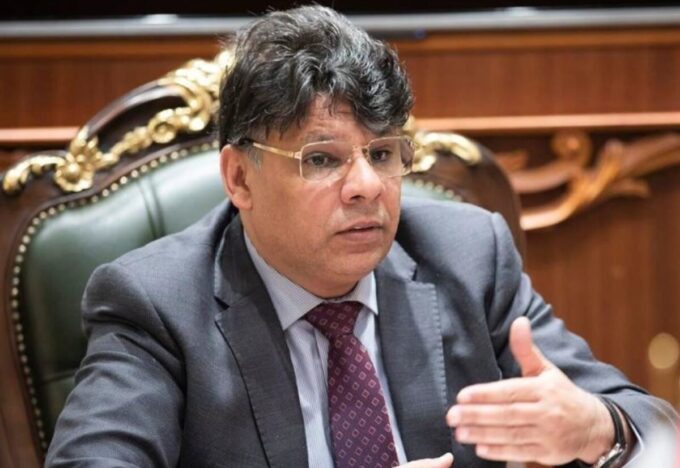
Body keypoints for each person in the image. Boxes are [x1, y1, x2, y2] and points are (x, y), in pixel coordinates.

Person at [46, 5, 676, 468]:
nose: (367, 186)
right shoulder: (156, 304)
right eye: (322, 159)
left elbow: (655, 426)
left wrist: (595, 427)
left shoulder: (467, 258)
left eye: (382, 153)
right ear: (240, 178)